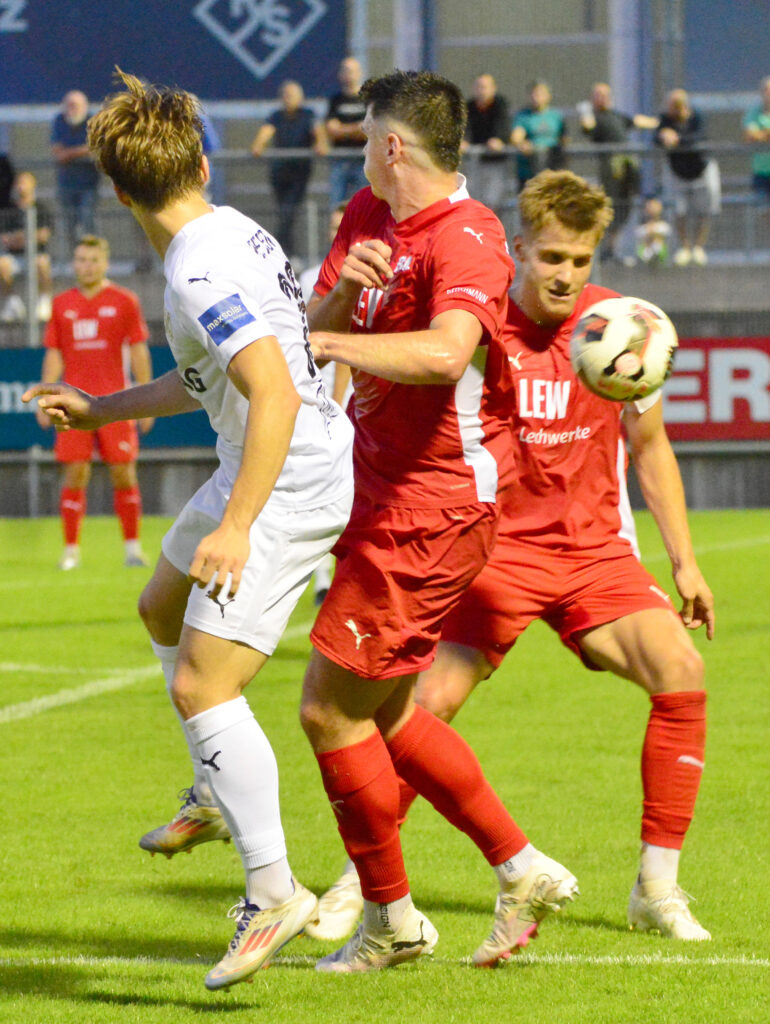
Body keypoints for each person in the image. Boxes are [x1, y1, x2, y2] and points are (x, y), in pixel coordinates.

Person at [312, 169, 715, 945]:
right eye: (551, 257)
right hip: (493, 552)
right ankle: (361, 885)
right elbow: (404, 375)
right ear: (520, 249)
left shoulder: (624, 327)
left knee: (682, 672)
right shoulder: (476, 321)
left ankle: (657, 890)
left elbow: (651, 446)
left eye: (580, 259)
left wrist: (685, 564)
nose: (565, 274)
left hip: (595, 554)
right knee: (424, 704)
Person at [24, 70, 354, 989]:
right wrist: (102, 409)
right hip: (259, 457)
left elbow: (274, 391)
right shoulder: (232, 231)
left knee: (203, 686)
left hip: (284, 477)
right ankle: (214, 792)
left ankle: (273, 892)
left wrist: (238, 526)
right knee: (161, 607)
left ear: (117, 192)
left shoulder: (198, 271)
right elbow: (214, 377)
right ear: (202, 165)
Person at [300, 69, 578, 972]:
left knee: (326, 712)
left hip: (433, 506)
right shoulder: (366, 215)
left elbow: (448, 353)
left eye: (363, 137)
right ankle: (520, 865)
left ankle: (390, 919)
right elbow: (315, 321)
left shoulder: (470, 235)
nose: (358, 151)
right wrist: (334, 310)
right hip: (379, 493)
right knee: (387, 714)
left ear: (392, 145)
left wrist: (332, 341)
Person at [35, 235, 152, 569]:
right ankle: (71, 551)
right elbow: (54, 353)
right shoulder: (62, 304)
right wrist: (46, 398)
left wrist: (146, 396)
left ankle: (132, 549)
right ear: (74, 263)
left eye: (93, 260)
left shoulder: (125, 301)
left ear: (105, 263)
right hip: (74, 404)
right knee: (75, 472)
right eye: (81, 260)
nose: (86, 266)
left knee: (124, 473)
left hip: (116, 402)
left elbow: (139, 350)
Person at [299, 201, 353, 605]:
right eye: (333, 227)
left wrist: (338, 401)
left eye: (344, 226)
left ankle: (346, 574)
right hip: (312, 399)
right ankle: (320, 578)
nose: (337, 234)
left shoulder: (373, 275)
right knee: (315, 488)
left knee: (352, 494)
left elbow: (351, 346)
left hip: (356, 400)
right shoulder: (308, 278)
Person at [578, 82, 659, 262]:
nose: (603, 98)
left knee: (630, 203)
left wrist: (660, 123)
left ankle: (644, 245)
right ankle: (607, 249)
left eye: (606, 94)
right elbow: (587, 128)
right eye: (599, 95)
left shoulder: (617, 116)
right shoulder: (594, 117)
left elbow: (637, 121)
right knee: (611, 205)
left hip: (629, 164)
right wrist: (586, 112)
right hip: (611, 167)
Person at [251, 80, 327, 259]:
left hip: (299, 173)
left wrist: (321, 144)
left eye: (291, 95)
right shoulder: (276, 116)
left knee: (289, 212)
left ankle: (280, 252)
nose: (288, 99)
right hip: (280, 172)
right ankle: (288, 253)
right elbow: (265, 133)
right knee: (284, 212)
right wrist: (258, 145)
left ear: (300, 97)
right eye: (285, 95)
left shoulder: (308, 115)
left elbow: (319, 133)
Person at [655, 89, 720, 267]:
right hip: (678, 172)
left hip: (701, 170)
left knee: (704, 210)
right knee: (679, 210)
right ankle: (684, 247)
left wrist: (677, 139)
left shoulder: (697, 116)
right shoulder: (665, 119)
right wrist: (663, 136)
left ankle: (698, 247)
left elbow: (700, 137)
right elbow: (656, 138)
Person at [0, 171, 54, 322]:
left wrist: (19, 237)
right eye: (19, 183)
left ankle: (44, 301)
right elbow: (5, 239)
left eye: (25, 182)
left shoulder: (41, 208)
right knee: (2, 264)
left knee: (42, 263)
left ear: (33, 185)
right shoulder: (9, 209)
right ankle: (12, 303)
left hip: (37, 255)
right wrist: (31, 236)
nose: (21, 186)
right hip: (15, 256)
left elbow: (44, 235)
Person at [50, 90, 99, 250]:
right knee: (68, 225)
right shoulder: (59, 121)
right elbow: (58, 152)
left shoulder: (93, 121)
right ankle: (74, 258)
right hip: (66, 184)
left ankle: (92, 254)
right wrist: (81, 151)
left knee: (88, 220)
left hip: (88, 185)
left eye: (75, 105)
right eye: (69, 105)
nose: (71, 109)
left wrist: (69, 153)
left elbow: (95, 148)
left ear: (84, 106)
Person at [463, 73, 511, 210]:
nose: (481, 90)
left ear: (493, 88)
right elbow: (465, 128)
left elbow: (504, 126)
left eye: (485, 87)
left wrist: (498, 139)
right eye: (479, 87)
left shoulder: (500, 105)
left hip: (495, 160)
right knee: (473, 198)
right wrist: (464, 141)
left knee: (493, 200)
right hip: (475, 159)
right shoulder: (468, 107)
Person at [325, 57, 368, 206]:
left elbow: (368, 130)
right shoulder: (335, 100)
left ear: (359, 73)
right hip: (340, 160)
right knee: (337, 205)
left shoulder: (368, 99)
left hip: (363, 160)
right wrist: (357, 128)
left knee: (363, 205)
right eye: (345, 71)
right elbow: (331, 130)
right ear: (340, 74)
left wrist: (343, 129)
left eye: (352, 71)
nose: (349, 74)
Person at [510, 81, 566, 191]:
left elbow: (563, 138)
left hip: (552, 168)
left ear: (548, 96)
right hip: (529, 170)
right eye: (534, 94)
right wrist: (522, 144)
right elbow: (516, 137)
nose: (537, 98)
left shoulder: (556, 116)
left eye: (540, 94)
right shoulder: (523, 116)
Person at [743, 76, 770, 216]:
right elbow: (750, 136)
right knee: (764, 210)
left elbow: (757, 135)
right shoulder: (754, 112)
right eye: (766, 90)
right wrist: (766, 134)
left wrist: (762, 134)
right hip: (761, 171)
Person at [635, 196, 671, 265]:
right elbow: (640, 235)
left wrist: (652, 233)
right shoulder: (643, 227)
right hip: (645, 250)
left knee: (657, 245)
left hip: (659, 251)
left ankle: (655, 257)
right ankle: (649, 257)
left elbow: (664, 234)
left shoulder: (663, 225)